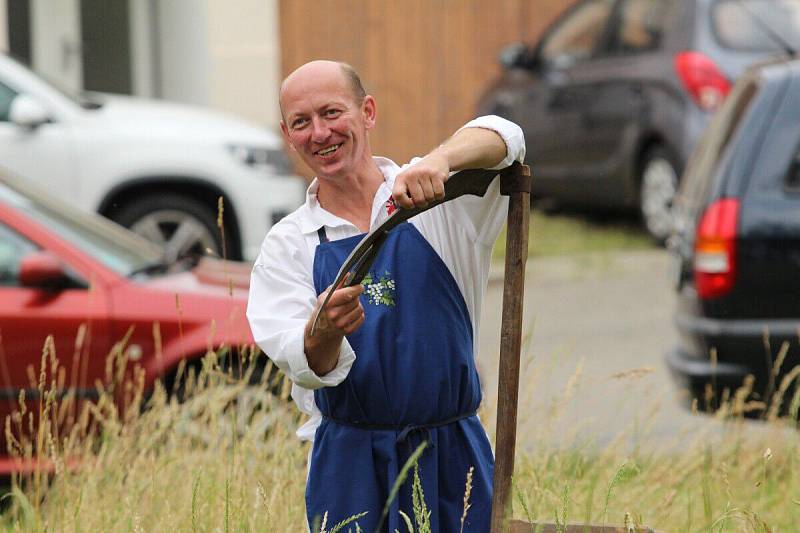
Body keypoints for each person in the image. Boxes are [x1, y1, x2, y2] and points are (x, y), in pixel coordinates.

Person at [247, 60, 525, 532]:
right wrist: (325, 330)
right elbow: (302, 362)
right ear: (287, 135)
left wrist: (440, 160)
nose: (319, 133)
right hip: (350, 466)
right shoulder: (287, 245)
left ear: (367, 112)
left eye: (332, 113)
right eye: (301, 123)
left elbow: (507, 137)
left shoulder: (440, 202)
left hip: (454, 455)